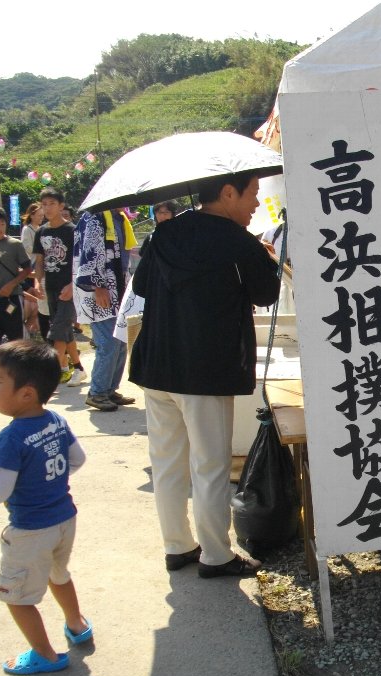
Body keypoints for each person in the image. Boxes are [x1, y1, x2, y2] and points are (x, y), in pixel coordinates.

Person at [129, 172, 280, 578]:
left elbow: (141, 286)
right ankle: (216, 555)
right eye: (252, 194)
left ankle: (177, 546)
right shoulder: (238, 241)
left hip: (158, 363)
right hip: (206, 369)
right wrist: (266, 258)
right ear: (228, 193)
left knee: (166, 462)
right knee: (210, 465)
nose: (255, 204)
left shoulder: (165, 232)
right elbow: (266, 293)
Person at [0, 340, 91, 675]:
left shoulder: (11, 438)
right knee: (58, 575)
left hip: (30, 532)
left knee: (16, 597)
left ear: (26, 393)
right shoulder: (56, 420)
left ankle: (45, 656)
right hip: (64, 520)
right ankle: (77, 624)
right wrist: (48, 481)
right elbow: (78, 459)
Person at [73, 210, 138, 412]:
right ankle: (97, 392)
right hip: (99, 289)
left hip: (117, 287)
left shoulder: (120, 218)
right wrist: (98, 287)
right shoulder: (94, 218)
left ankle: (109, 389)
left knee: (120, 341)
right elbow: (89, 254)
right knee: (108, 342)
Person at [0, 207, 34, 398]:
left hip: (12, 299)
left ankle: (20, 380)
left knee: (16, 342)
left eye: (2, 223)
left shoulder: (14, 244)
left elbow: (27, 270)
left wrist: (12, 285)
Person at [33, 188, 85, 387]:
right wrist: (37, 282)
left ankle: (51, 375)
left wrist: (73, 285)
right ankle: (78, 369)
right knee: (64, 330)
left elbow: (81, 262)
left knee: (57, 332)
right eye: (44, 204)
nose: (47, 208)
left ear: (61, 206)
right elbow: (39, 261)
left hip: (70, 288)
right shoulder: (41, 232)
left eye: (52, 204)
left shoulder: (73, 231)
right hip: (51, 287)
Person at [20, 202, 48, 339]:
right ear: (31, 215)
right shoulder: (27, 229)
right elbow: (26, 247)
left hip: (43, 263)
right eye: (38, 215)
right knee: (35, 298)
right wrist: (41, 250)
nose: (41, 218)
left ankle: (36, 329)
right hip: (33, 264)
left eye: (42, 215)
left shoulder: (42, 228)